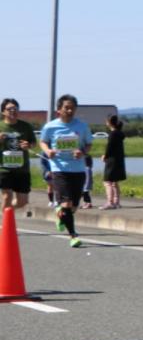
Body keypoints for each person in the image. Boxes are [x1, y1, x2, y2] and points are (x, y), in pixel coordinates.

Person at [39, 94, 93, 248]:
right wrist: (48, 151)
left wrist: (82, 152)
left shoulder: (82, 126)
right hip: (59, 168)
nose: (69, 111)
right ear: (59, 110)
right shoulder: (51, 126)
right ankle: (73, 236)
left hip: (78, 169)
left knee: (74, 206)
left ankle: (60, 213)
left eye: (72, 108)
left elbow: (88, 144)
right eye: (66, 108)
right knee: (67, 203)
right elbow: (43, 142)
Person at [1, 98, 37, 215]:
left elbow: (33, 143)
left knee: (22, 201)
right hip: (4, 168)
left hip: (22, 169)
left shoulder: (25, 126)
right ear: (3, 112)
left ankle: (5, 213)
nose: (13, 111)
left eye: (15, 109)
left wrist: (28, 145)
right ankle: (3, 225)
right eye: (9, 109)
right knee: (7, 196)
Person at [100, 115, 126, 209]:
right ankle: (116, 202)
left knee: (107, 182)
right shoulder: (119, 133)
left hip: (111, 160)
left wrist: (105, 156)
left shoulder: (112, 134)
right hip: (119, 160)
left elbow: (109, 147)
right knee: (115, 182)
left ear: (109, 122)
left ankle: (110, 202)